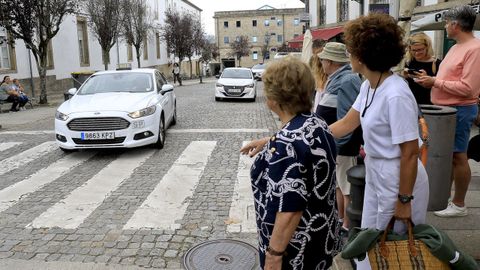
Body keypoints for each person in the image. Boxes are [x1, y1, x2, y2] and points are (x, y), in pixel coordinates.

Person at [329, 13, 429, 269]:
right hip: (377, 172)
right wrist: (295, 136)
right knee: (372, 235)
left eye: (350, 50)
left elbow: (410, 152)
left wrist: (404, 201)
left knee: (393, 244)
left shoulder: (395, 94)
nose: (348, 55)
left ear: (362, 56)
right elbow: (345, 125)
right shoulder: (369, 86)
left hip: (399, 177)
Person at [242, 57, 342, 269]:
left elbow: (289, 209)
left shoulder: (286, 144)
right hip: (320, 238)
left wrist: (273, 255)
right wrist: (269, 141)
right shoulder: (316, 123)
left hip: (294, 251)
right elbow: (302, 147)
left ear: (275, 98)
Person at [415, 5, 480, 217]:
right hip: (446, 110)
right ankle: (445, 198)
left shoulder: (474, 49)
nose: (444, 26)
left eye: (446, 22)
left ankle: (459, 204)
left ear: (456, 24)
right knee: (449, 156)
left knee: (458, 157)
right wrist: (431, 81)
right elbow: (449, 80)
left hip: (458, 110)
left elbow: (468, 88)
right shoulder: (455, 47)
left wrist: (435, 82)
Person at [316, 42, 362, 235]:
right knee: (338, 184)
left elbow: (347, 117)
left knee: (346, 186)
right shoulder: (337, 78)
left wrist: (338, 144)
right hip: (335, 143)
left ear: (330, 61)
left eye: (323, 60)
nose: (321, 63)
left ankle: (346, 224)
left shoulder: (347, 79)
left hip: (341, 144)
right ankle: (340, 218)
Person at [403, 32, 442, 105]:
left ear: (427, 47)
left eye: (420, 50)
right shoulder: (407, 63)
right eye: (413, 50)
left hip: (429, 106)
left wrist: (428, 79)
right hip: (410, 104)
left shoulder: (437, 64)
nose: (417, 53)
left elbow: (442, 86)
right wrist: (404, 77)